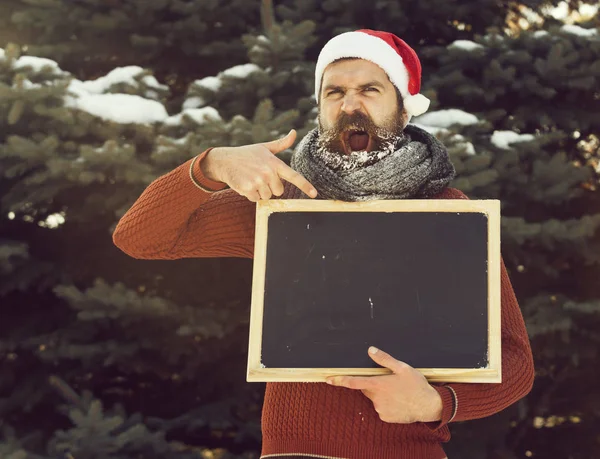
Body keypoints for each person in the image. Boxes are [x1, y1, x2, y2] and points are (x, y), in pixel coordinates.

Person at [113, 29, 535, 459]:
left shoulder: (450, 213)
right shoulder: (282, 204)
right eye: (335, 92)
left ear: (404, 108)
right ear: (321, 108)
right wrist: (210, 165)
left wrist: (436, 404)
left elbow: (515, 363)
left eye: (370, 89)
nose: (350, 104)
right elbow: (138, 237)